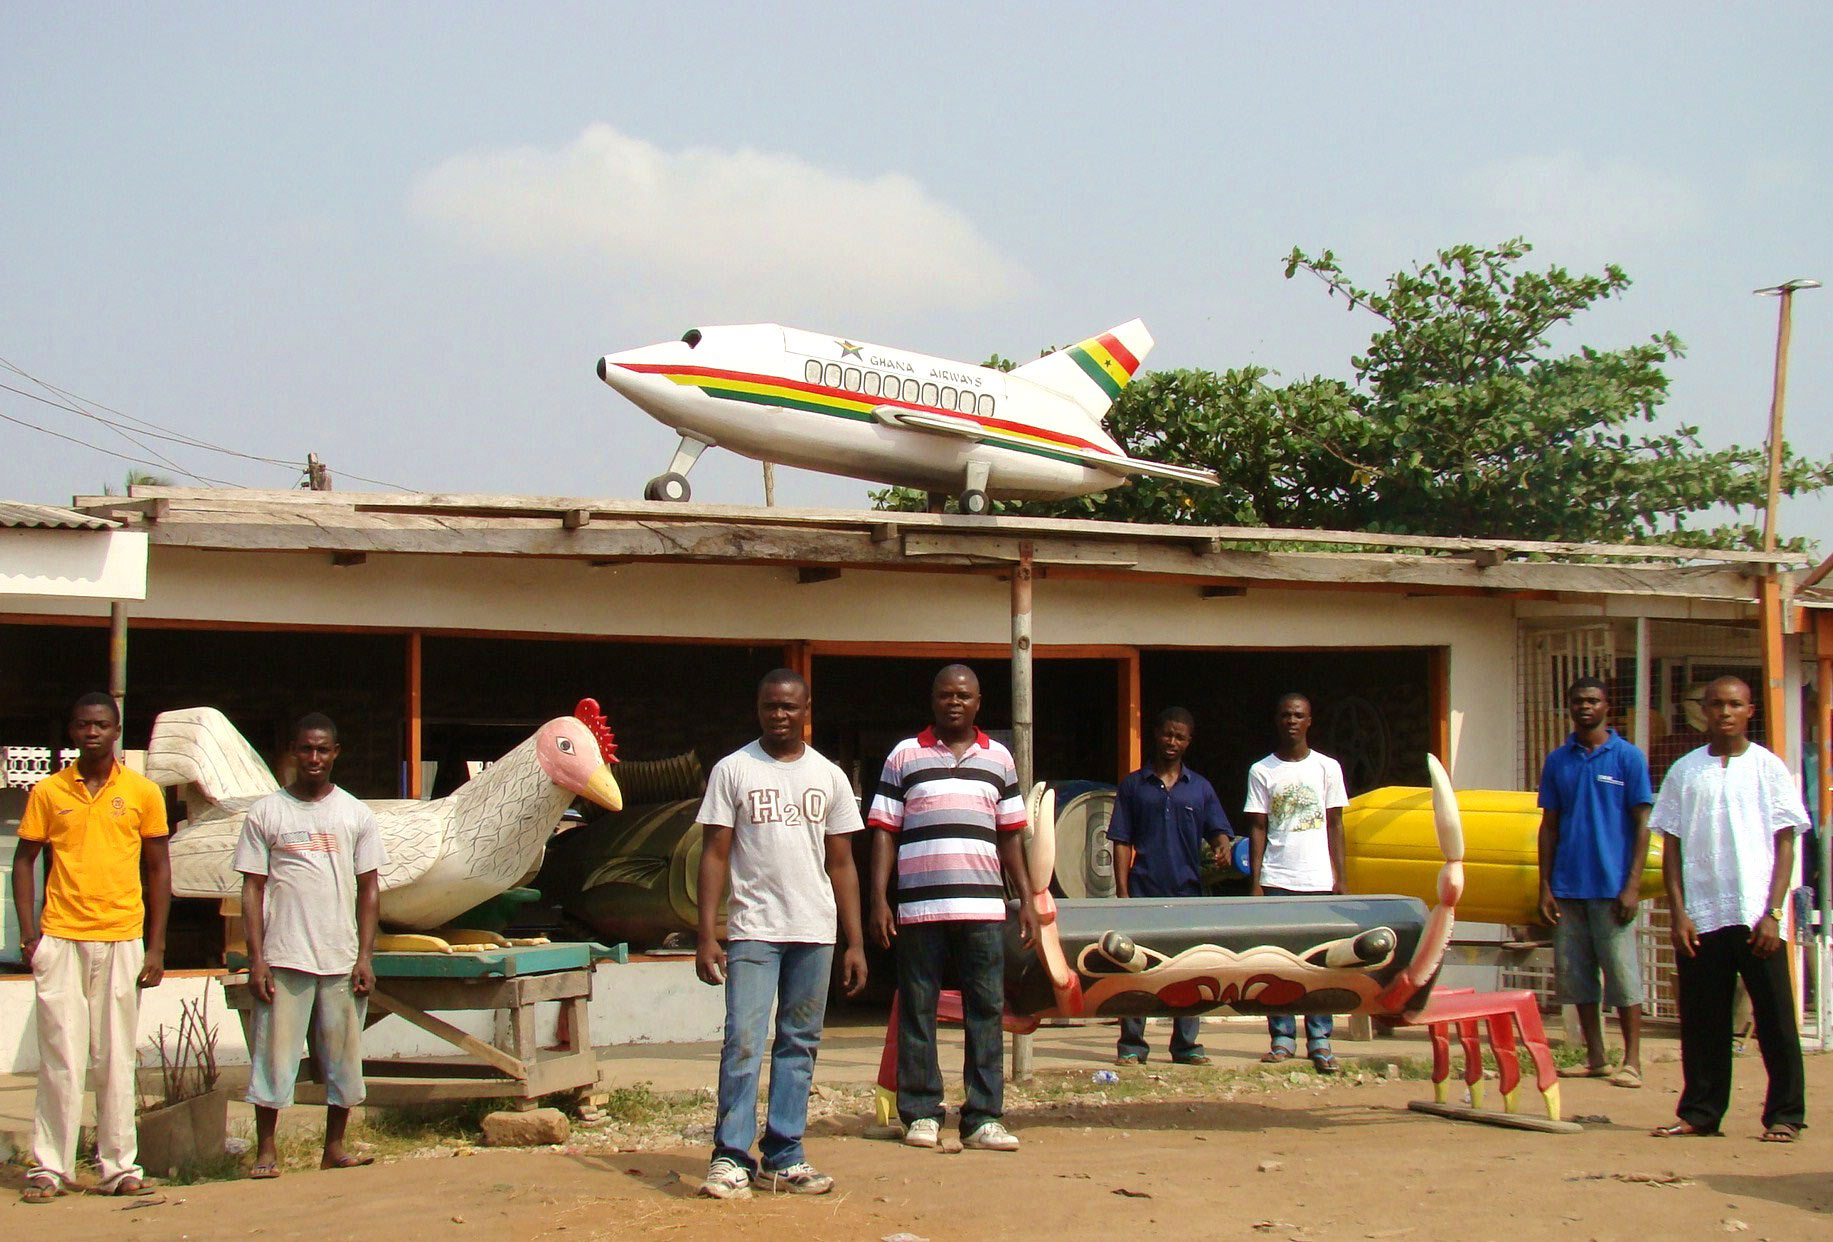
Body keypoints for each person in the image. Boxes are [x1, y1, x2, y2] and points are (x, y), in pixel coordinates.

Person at [694, 670, 867, 1200]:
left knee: (799, 1044)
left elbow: (842, 864)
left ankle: (785, 1155)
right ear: (759, 707)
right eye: (770, 705)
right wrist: (706, 932)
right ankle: (730, 1157)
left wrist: (855, 941)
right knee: (743, 1041)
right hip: (752, 930)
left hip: (815, 931)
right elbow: (715, 854)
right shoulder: (733, 770)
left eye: (790, 706)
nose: (779, 715)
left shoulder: (830, 777)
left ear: (806, 708)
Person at [868, 664, 1039, 1152]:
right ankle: (921, 1113)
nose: (954, 703)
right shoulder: (904, 755)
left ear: (979, 702)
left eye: (964, 695)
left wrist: (1024, 899)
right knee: (918, 1009)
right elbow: (884, 831)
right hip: (920, 909)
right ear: (933, 700)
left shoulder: (999, 759)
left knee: (985, 1009)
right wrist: (879, 899)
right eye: (946, 695)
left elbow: (1011, 837)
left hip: (983, 909)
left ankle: (983, 1115)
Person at [12, 692, 170, 1203]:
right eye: (82, 725)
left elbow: (160, 869)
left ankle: (118, 1167)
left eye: (101, 724)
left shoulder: (144, 792)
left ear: (117, 729)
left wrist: (157, 947)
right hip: (60, 936)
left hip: (122, 936)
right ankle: (49, 1169)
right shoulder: (49, 791)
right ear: (72, 731)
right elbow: (24, 860)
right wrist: (29, 934)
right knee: (61, 1056)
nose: (92, 732)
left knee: (115, 1056)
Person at [1649, 675, 1809, 1142]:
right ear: (1704, 711)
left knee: (1776, 1018)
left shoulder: (1768, 768)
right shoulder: (1684, 771)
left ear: (1749, 711)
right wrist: (1677, 913)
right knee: (1702, 1021)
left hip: (1756, 914)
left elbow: (1787, 845)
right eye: (1716, 704)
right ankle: (1700, 1112)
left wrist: (1773, 913)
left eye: (1734, 705)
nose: (1724, 712)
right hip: (1701, 915)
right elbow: (1672, 847)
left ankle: (1785, 1115)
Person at [235, 712, 385, 1178]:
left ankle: (334, 1148)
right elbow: (251, 889)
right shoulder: (267, 812)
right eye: (306, 749)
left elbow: (370, 889)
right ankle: (266, 1152)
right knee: (274, 1058)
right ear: (293, 752)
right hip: (284, 958)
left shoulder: (355, 813)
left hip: (339, 958)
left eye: (323, 749)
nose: (314, 758)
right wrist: (257, 958)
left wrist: (365, 955)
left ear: (335, 753)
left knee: (342, 1059)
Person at [1535, 676, 1653, 1088]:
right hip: (1568, 888)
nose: (1586, 707)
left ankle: (1632, 1061)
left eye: (1593, 700)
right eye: (1578, 701)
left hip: (1612, 888)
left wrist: (1632, 885)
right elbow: (1548, 826)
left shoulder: (1628, 758)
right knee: (1578, 978)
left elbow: (1642, 825)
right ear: (1568, 707)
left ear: (1607, 707)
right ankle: (1596, 1056)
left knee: (1622, 976)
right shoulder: (1558, 761)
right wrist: (1545, 886)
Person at [1107, 706, 1232, 1066]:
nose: (1172, 742)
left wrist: (1222, 844)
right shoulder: (1133, 786)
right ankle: (1132, 1045)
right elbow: (1120, 840)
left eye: (1180, 737)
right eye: (1167, 734)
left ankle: (1186, 1046)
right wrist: (1122, 893)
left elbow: (1218, 830)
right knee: (1134, 971)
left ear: (1188, 742)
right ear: (1156, 734)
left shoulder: (1201, 789)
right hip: (1143, 892)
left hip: (1188, 895)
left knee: (1189, 972)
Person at [1243, 692, 1348, 1075]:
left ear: (1309, 721)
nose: (1291, 720)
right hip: (1277, 879)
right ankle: (1282, 1039)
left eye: (1298, 715)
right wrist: (1256, 882)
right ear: (1277, 719)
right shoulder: (1262, 771)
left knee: (1320, 966)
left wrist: (1341, 878)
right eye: (1285, 714)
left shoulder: (1327, 768)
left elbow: (1336, 824)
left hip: (1318, 880)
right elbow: (1257, 827)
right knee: (1278, 964)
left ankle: (1320, 1041)